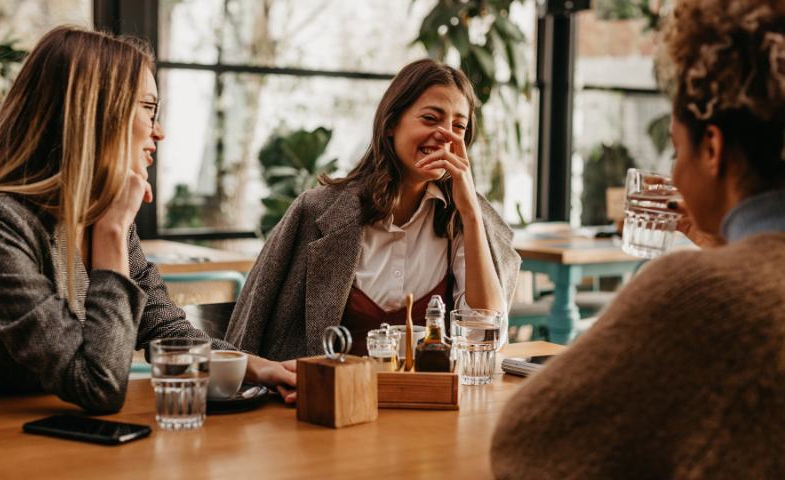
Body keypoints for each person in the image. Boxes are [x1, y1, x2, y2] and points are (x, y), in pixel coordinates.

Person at [0, 26, 296, 412]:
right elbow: (98, 384)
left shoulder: (98, 213)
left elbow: (163, 328)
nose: (160, 132)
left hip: (48, 429)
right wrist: (112, 232)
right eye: (148, 108)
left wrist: (261, 368)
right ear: (97, 114)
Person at [492, 1, 785, 478]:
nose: (673, 171)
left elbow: (526, 440)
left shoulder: (696, 292)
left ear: (712, 148)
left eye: (675, 148)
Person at [225, 59, 521, 359]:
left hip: (426, 400)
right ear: (391, 124)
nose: (446, 135)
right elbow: (250, 330)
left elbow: (486, 338)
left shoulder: (462, 218)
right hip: (330, 398)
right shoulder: (314, 211)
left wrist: (471, 215)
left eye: (458, 126)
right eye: (431, 119)